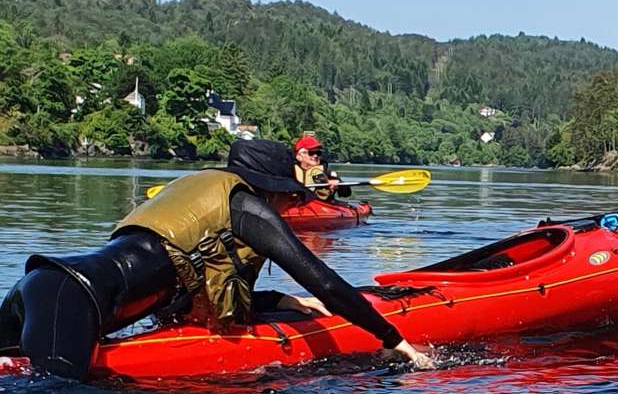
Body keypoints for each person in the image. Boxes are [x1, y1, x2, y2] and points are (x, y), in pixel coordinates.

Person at [0, 139, 431, 380]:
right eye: (287, 195)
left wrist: (276, 300)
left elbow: (186, 286)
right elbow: (326, 283)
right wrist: (395, 340)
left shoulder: (196, 187)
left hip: (42, 285)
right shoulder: (248, 208)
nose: (288, 206)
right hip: (73, 302)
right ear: (273, 188)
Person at [293, 135, 350, 202]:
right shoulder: (288, 171)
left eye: (318, 153)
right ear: (299, 155)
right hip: (294, 205)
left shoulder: (327, 172)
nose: (315, 155)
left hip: (321, 206)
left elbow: (346, 193)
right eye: (311, 153)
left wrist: (339, 184)